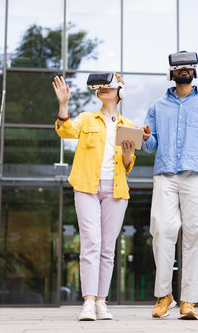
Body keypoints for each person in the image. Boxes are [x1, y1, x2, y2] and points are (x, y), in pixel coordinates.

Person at [141, 51, 198, 320]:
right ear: (172, 71)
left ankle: (188, 301)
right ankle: (164, 294)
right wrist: (145, 137)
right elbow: (150, 145)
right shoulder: (156, 106)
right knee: (162, 230)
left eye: (189, 65)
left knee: (195, 236)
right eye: (179, 66)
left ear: (194, 70)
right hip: (165, 174)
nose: (184, 69)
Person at [53, 72, 136, 321]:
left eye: (107, 86)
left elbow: (127, 164)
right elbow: (65, 130)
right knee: (91, 243)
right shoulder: (86, 118)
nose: (102, 89)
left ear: (120, 91)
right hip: (87, 187)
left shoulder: (128, 125)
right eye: (99, 87)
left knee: (108, 249)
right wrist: (63, 103)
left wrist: (128, 153)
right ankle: (88, 302)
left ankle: (102, 301)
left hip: (117, 190)